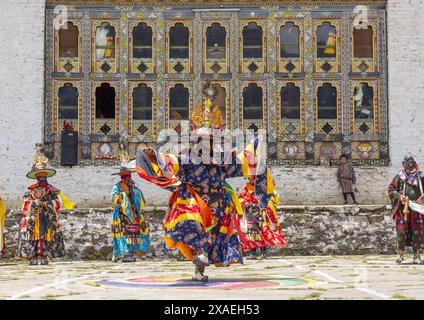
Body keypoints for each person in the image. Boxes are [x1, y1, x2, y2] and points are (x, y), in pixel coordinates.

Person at [135, 88, 276, 281]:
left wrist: (257, 148)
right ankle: (198, 258)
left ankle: (199, 271)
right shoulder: (185, 157)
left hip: (218, 204)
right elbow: (170, 165)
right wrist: (154, 157)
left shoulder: (224, 158)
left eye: (210, 139)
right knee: (192, 225)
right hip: (194, 201)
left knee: (213, 240)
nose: (206, 143)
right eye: (202, 139)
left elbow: (245, 163)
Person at [18, 148, 75, 265]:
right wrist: (34, 204)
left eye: (44, 177)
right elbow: (25, 204)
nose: (42, 179)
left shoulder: (52, 191)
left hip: (47, 217)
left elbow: (58, 204)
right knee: (34, 236)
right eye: (40, 177)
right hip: (34, 220)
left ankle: (44, 255)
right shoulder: (30, 191)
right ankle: (33, 256)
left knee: (46, 236)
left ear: (46, 177)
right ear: (37, 177)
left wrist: (48, 205)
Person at [111, 145, 150, 262]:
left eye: (128, 175)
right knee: (123, 233)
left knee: (133, 233)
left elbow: (139, 197)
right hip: (121, 215)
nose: (128, 178)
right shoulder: (117, 187)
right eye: (125, 176)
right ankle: (123, 253)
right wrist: (123, 195)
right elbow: (114, 198)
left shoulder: (134, 187)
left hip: (133, 214)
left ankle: (131, 252)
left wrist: (133, 193)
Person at [388, 154, 424, 264]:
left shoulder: (421, 176)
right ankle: (400, 254)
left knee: (417, 232)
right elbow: (391, 189)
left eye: (409, 164)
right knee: (401, 231)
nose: (406, 167)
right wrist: (399, 196)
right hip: (402, 209)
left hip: (417, 210)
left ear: (414, 164)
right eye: (405, 164)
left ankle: (416, 256)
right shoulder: (400, 176)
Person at [238, 180, 287, 259]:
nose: (251, 180)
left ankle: (262, 251)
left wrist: (265, 202)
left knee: (263, 232)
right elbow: (240, 198)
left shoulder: (264, 188)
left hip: (262, 213)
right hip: (250, 213)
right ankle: (253, 252)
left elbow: (272, 198)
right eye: (250, 178)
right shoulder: (246, 189)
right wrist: (244, 203)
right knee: (251, 232)